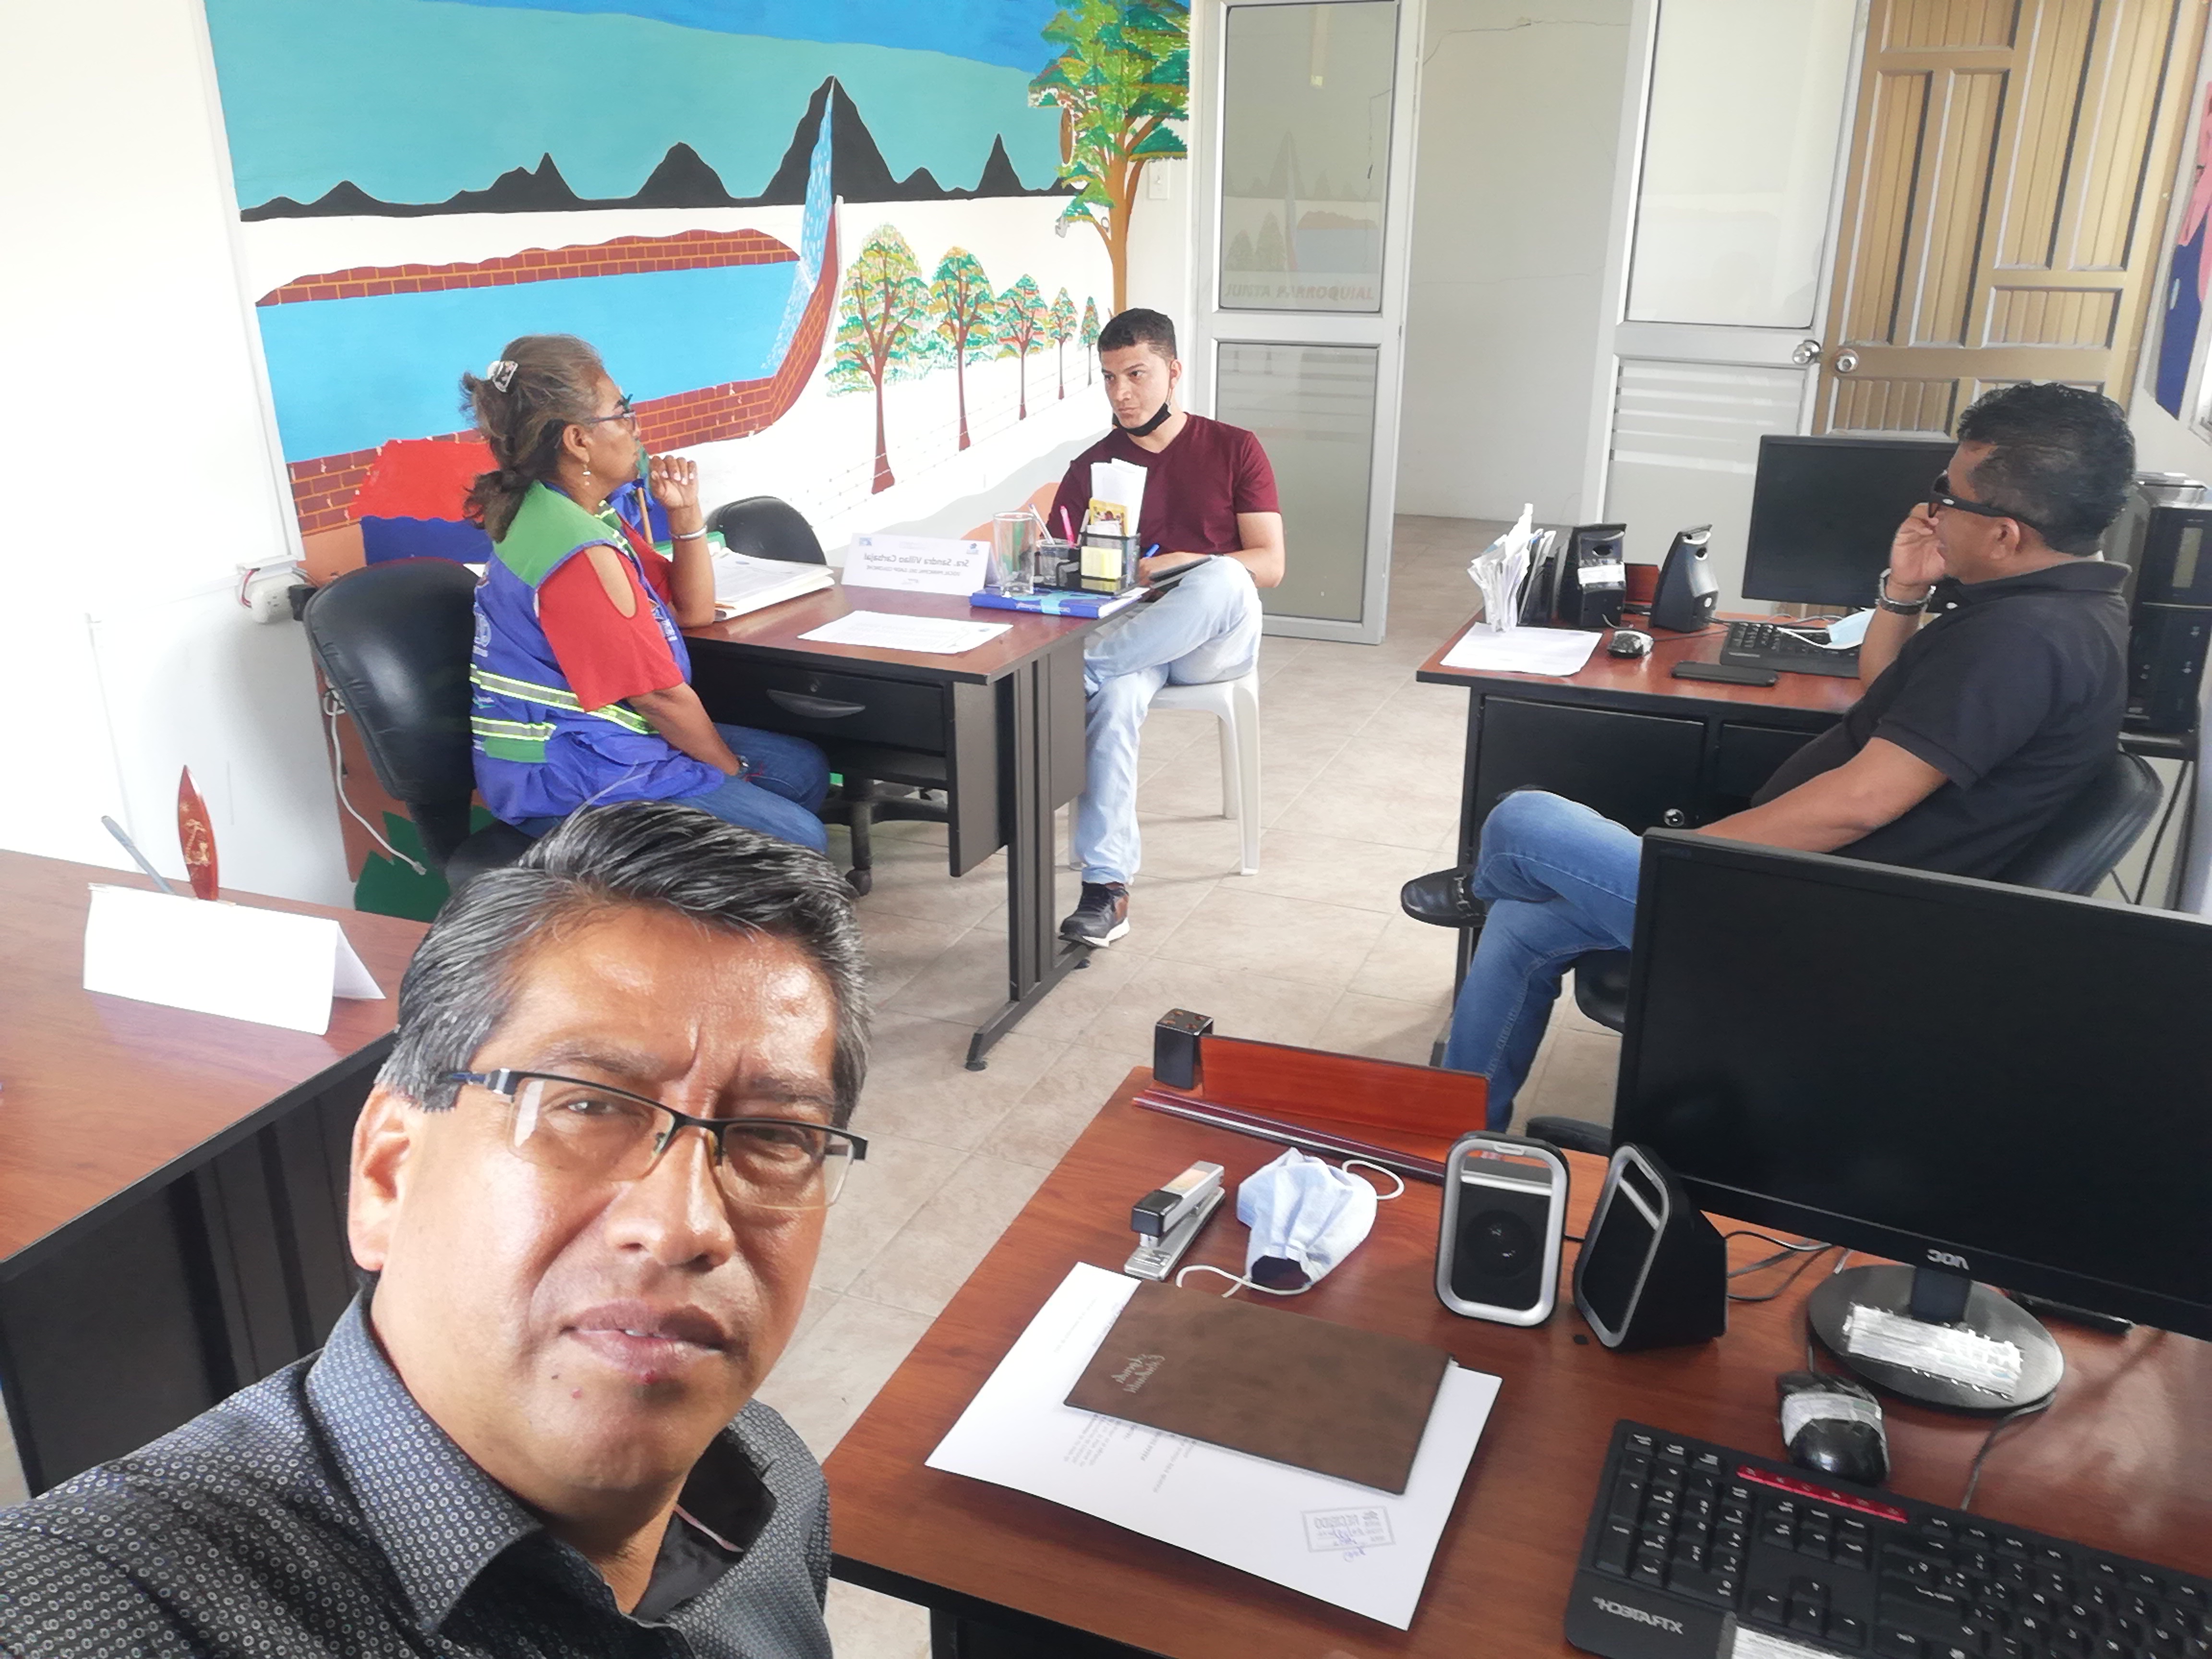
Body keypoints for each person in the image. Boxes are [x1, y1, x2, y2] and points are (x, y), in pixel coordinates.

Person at [0, 802, 868, 1655]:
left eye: (774, 1135)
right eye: (587, 1105)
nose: (683, 1225)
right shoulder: (83, 1613)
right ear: (388, 1171)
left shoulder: (771, 1484)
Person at [1409, 382, 2136, 1129]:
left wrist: (1691, 859)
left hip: (1820, 931)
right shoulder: (2061, 612)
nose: (1931, 511)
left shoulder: (2022, 643)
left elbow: (1861, 805)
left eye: (1946, 497)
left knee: (1525, 821)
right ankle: (1453, 1131)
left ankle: (1485, 883)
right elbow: (1887, 688)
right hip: (1823, 898)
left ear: (2007, 535)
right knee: (1523, 924)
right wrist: (1903, 591)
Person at [463, 334, 831, 854]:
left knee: (802, 769)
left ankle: (724, 888)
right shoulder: (577, 551)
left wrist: (685, 514)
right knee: (796, 839)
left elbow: (692, 611)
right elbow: (658, 698)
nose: (636, 426)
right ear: (578, 440)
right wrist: (731, 772)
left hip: (604, 740)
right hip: (563, 775)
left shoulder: (576, 511)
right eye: (623, 412)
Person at [1046, 308, 1287, 947]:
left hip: (1214, 638)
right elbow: (1061, 573)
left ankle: (1078, 678)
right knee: (1115, 698)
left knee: (1224, 576)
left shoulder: (1234, 447)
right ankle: (1107, 889)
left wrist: (1189, 560)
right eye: (1109, 378)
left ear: (1173, 371)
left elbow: (1270, 566)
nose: (1121, 393)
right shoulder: (1093, 466)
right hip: (1136, 637)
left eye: (1136, 374)